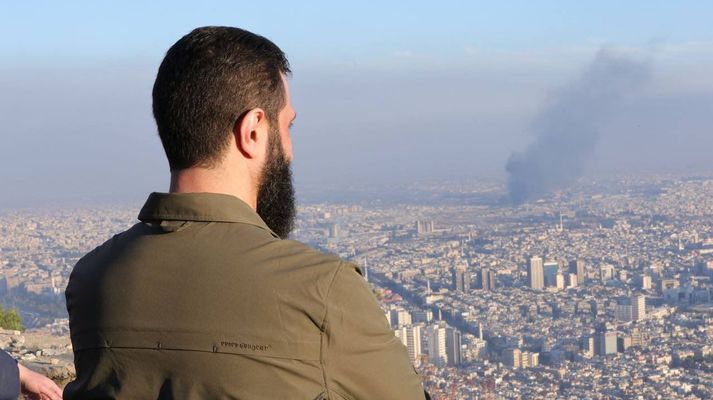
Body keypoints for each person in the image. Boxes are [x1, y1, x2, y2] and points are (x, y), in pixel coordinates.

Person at [64, 26, 427, 399]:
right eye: (287, 127)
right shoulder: (321, 289)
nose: (290, 150)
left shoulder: (91, 279)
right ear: (253, 130)